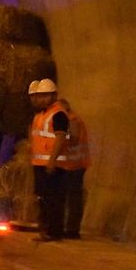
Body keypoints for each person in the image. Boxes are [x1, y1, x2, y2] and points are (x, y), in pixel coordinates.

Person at [29, 78, 70, 241]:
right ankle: (46, 229)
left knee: (52, 199)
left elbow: (60, 138)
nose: (41, 99)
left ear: (54, 96)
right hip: (40, 163)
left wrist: (52, 161)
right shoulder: (42, 114)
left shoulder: (58, 114)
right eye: (40, 96)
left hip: (52, 165)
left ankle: (53, 231)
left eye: (46, 96)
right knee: (43, 198)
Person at [58, 98, 91, 239]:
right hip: (73, 164)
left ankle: (72, 230)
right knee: (71, 197)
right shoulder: (72, 119)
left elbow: (72, 140)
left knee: (73, 198)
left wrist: (58, 141)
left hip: (74, 165)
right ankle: (70, 228)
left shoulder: (72, 120)